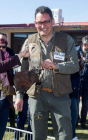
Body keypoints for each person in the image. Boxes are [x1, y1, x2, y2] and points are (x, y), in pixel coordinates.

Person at [14, 6, 79, 140]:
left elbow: (75, 66)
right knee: (38, 135)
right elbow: (22, 70)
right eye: (39, 23)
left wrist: (57, 66)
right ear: (35, 23)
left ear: (53, 22)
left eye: (46, 22)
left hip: (60, 96)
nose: (43, 26)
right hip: (37, 97)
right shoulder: (29, 41)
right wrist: (19, 95)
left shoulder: (66, 40)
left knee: (64, 134)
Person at [0, 32, 16, 128]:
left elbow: (11, 66)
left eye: (4, 40)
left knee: (9, 103)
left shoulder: (10, 52)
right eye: (0, 40)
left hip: (7, 82)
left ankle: (12, 123)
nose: (2, 42)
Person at [70, 51, 83, 140]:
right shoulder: (70, 67)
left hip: (75, 95)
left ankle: (73, 135)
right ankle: (72, 135)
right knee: (71, 116)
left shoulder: (79, 67)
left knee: (74, 117)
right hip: (69, 95)